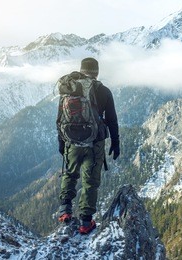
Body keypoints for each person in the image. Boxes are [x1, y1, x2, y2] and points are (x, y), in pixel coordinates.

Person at [57, 57, 120, 234]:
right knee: (90, 182)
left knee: (69, 174)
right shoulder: (104, 91)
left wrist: (61, 142)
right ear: (97, 72)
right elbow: (112, 120)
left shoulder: (69, 89)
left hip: (71, 141)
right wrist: (115, 143)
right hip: (95, 143)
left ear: (81, 69)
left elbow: (60, 118)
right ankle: (85, 222)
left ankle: (65, 211)